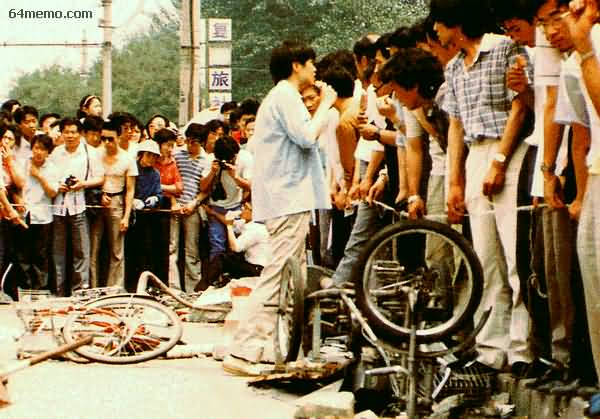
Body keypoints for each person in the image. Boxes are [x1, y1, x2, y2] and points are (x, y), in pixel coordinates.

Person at [431, 0, 534, 377]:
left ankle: (522, 348)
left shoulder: (506, 49)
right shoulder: (454, 67)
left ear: (454, 22)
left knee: (514, 256)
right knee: (486, 258)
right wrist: (455, 182)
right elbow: (456, 127)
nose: (436, 33)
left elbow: (520, 108)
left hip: (510, 150)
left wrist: (500, 161)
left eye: (439, 25)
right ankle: (491, 349)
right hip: (475, 153)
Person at [222, 40, 337, 376]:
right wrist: (326, 105)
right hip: (287, 196)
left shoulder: (281, 98)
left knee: (290, 275)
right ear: (296, 65)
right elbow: (306, 137)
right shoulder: (285, 96)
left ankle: (275, 349)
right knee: (278, 273)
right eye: (311, 63)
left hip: (288, 195)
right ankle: (243, 349)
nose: (315, 70)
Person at [49, 117, 104, 296]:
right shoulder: (56, 152)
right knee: (58, 252)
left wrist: (83, 184)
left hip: (79, 206)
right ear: (62, 133)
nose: (70, 136)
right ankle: (59, 291)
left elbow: (100, 178)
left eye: (73, 132)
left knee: (81, 251)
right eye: (66, 132)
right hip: (58, 206)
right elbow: (49, 175)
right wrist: (57, 185)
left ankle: (79, 291)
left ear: (80, 133)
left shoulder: (90, 153)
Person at [89, 119, 136, 289]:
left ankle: (115, 288)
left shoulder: (127, 159)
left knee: (117, 250)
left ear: (119, 137)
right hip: (96, 202)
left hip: (117, 201)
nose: (107, 143)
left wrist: (126, 216)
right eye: (104, 139)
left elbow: (130, 190)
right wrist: (99, 195)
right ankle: (92, 287)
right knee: (93, 249)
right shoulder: (95, 154)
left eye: (111, 139)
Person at [200, 136, 252, 288]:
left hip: (236, 206)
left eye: (232, 158)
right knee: (217, 246)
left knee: (236, 246)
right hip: (216, 206)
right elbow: (203, 187)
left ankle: (235, 280)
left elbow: (250, 186)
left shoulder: (245, 158)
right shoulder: (211, 160)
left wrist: (235, 176)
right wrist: (212, 172)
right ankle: (214, 281)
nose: (230, 161)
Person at [169, 123, 211, 292]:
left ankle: (192, 289)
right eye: (188, 141)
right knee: (172, 249)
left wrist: (194, 202)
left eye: (194, 142)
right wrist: (174, 202)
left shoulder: (207, 160)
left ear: (201, 142)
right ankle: (173, 288)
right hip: (175, 206)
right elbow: (171, 179)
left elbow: (206, 189)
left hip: (193, 207)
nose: (189, 145)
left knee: (191, 251)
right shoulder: (177, 155)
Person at [14, 134, 59, 291]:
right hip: (24, 215)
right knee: (23, 255)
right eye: (36, 148)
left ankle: (40, 290)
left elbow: (53, 192)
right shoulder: (23, 163)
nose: (38, 152)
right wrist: (18, 199)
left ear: (48, 152)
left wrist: (39, 176)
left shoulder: (52, 168)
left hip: (43, 217)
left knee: (41, 256)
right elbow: (15, 186)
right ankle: (25, 289)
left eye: (43, 149)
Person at [203, 202, 271, 283]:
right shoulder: (247, 223)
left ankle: (205, 285)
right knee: (230, 256)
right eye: (243, 207)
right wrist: (213, 213)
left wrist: (229, 227)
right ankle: (220, 280)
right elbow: (229, 221)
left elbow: (235, 248)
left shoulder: (255, 229)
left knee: (222, 258)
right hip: (250, 264)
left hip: (257, 268)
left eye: (246, 208)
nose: (242, 210)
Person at [126, 140, 163, 289]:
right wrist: (133, 201)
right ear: (141, 154)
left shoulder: (155, 174)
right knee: (130, 251)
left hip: (148, 217)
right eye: (149, 155)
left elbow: (159, 193)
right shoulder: (132, 169)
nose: (151, 159)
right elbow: (126, 189)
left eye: (154, 156)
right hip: (131, 215)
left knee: (147, 251)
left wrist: (155, 199)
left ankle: (146, 286)